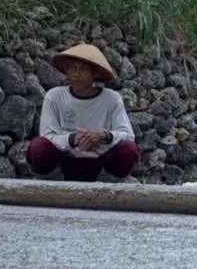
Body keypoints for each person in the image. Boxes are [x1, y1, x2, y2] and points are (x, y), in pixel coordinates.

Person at [26, 44, 140, 182]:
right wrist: (74, 138)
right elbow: (48, 136)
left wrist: (104, 135)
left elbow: (128, 135)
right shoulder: (54, 96)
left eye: (83, 70)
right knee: (38, 147)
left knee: (129, 149)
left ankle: (105, 184)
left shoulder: (111, 99)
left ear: (95, 73)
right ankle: (56, 184)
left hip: (100, 164)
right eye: (72, 68)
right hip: (64, 162)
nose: (76, 75)